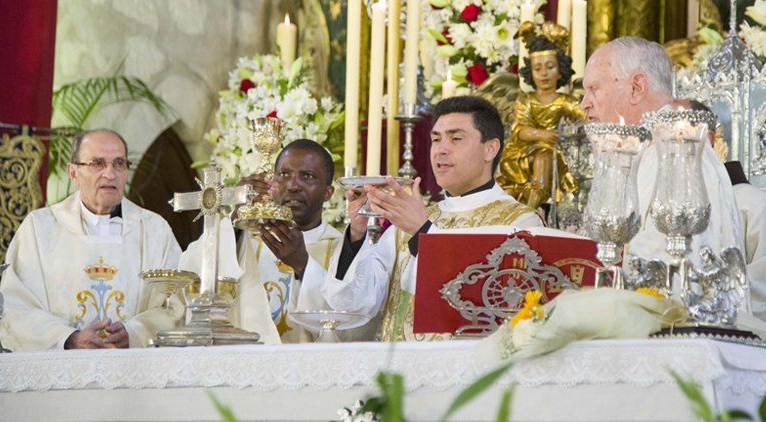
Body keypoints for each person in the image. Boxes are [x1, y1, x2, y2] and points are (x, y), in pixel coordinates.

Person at [323, 96, 543, 341]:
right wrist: (357, 233)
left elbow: (497, 307)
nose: (441, 149)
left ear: (490, 148)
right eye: (436, 139)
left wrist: (423, 233)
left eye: (456, 138)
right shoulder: (412, 219)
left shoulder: (520, 223)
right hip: (396, 373)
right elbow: (355, 305)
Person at [0, 129, 182, 350]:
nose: (110, 173)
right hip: (62, 372)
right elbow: (15, 307)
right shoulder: (39, 228)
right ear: (73, 173)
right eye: (97, 163)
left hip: (135, 369)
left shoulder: (154, 231)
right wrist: (69, 338)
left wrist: (134, 333)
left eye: (119, 163)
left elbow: (176, 305)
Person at [580, 36, 745, 266]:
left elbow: (673, 272)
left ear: (636, 88)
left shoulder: (678, 152)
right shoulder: (643, 150)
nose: (584, 103)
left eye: (594, 89)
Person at [677, 99, 766, 339]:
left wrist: (690, 294)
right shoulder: (666, 207)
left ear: (707, 140)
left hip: (736, 348)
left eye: (675, 136)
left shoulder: (755, 206)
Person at [239, 139, 357, 341]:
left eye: (307, 176)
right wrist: (234, 215)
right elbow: (205, 282)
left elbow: (350, 330)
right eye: (284, 175)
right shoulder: (246, 238)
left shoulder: (342, 248)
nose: (293, 185)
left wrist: (303, 265)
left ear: (328, 193)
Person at [498, 22, 586, 209]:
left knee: (544, 155)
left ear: (560, 69)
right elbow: (520, 129)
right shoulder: (526, 100)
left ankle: (534, 204)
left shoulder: (563, 101)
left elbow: (584, 114)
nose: (544, 74)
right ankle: (521, 209)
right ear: (530, 72)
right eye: (538, 69)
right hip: (520, 153)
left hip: (550, 152)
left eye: (550, 67)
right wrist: (543, 135)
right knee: (539, 156)